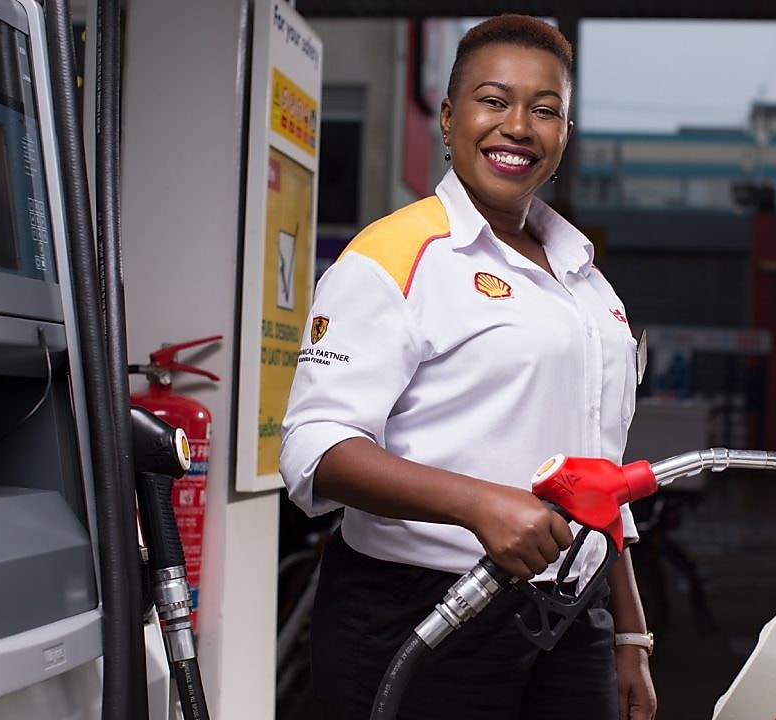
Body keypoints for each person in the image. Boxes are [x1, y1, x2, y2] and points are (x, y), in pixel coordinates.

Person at [280, 14, 656, 720]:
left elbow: (603, 478)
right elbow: (313, 450)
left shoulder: (588, 284)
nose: (518, 126)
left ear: (564, 136)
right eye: (494, 101)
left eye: (545, 110)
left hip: (571, 616)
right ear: (450, 119)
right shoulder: (396, 255)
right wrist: (475, 503)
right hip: (417, 606)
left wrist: (629, 631)